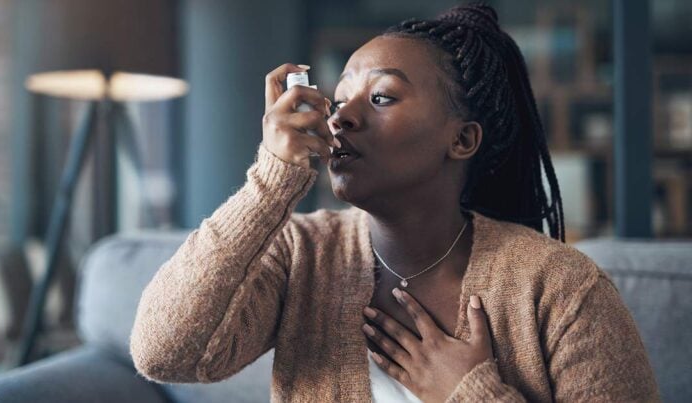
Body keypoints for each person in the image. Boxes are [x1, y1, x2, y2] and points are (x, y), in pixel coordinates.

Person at [130, 4, 659, 402]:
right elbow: (163, 352)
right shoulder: (301, 256)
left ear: (462, 140)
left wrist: (471, 391)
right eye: (338, 102)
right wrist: (271, 181)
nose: (340, 119)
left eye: (381, 97)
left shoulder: (561, 288)